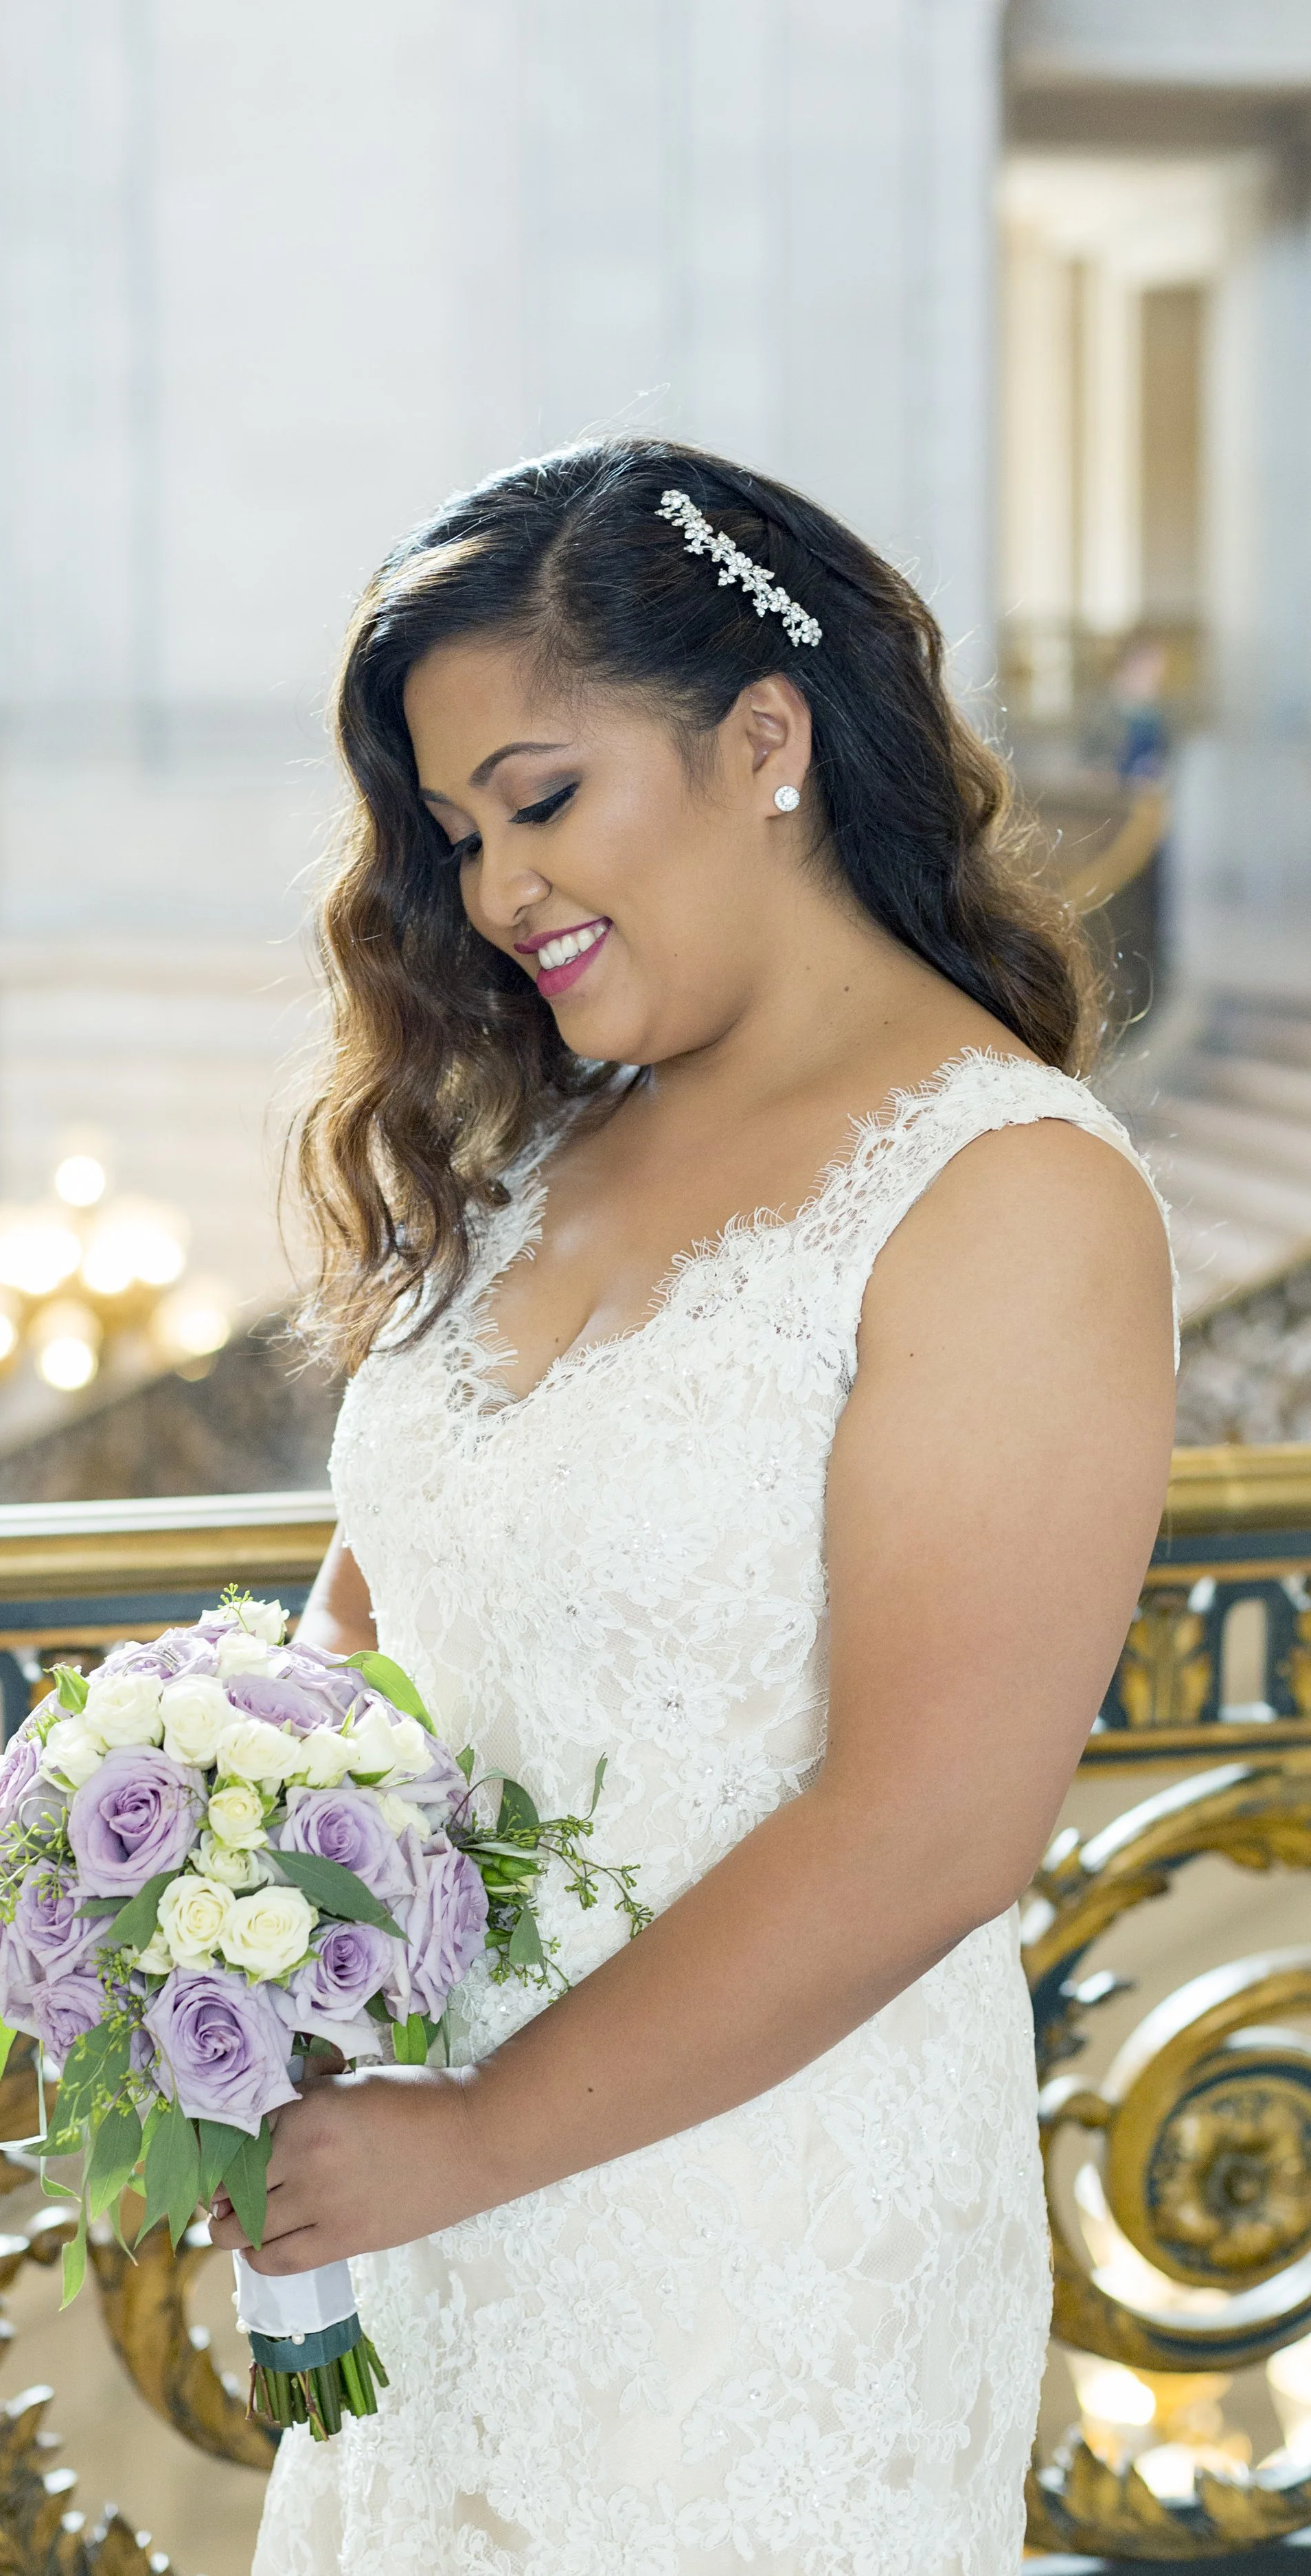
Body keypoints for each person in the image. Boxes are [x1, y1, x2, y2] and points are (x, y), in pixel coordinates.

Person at [209, 437, 1177, 2575]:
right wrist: (224, 1886)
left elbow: (931, 1822)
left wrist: (465, 2139)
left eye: (540, 799)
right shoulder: (546, 1149)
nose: (491, 891)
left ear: (766, 740)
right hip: (431, 2244)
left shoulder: (1005, 1192)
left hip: (759, 2258)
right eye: (455, 833)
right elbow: (377, 1615)